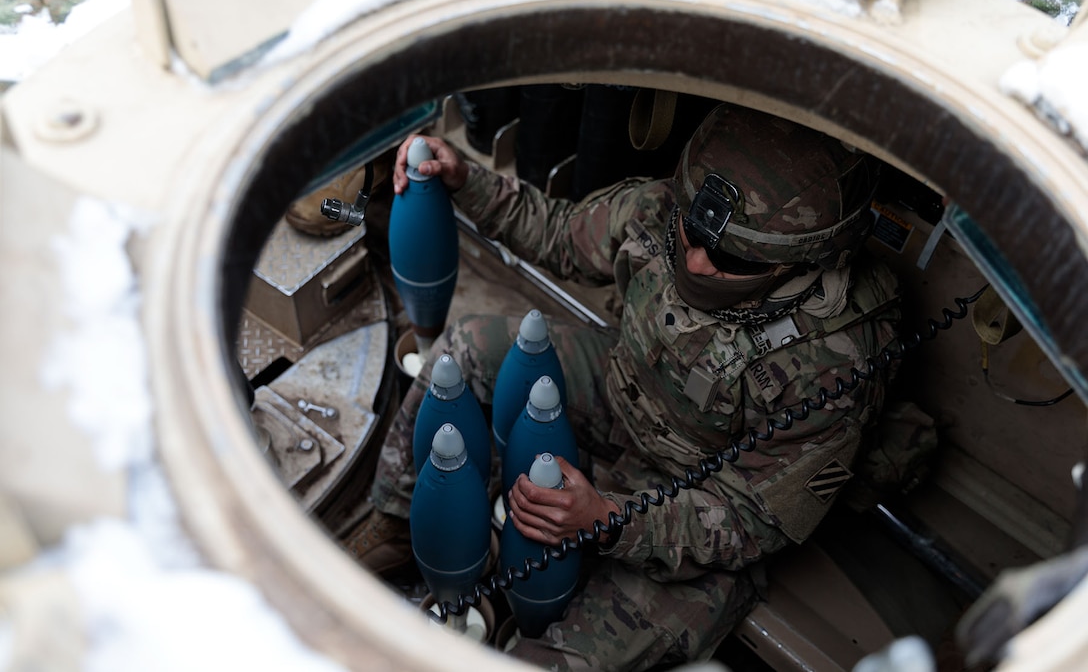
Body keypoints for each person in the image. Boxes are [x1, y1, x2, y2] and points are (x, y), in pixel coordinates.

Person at [344, 102, 902, 670]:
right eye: (692, 232)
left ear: (799, 263)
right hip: (619, 390)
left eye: (730, 257)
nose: (697, 261)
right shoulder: (658, 210)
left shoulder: (837, 361)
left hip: (699, 509)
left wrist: (608, 519)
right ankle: (396, 516)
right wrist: (467, 179)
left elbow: (748, 524)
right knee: (463, 353)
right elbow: (560, 233)